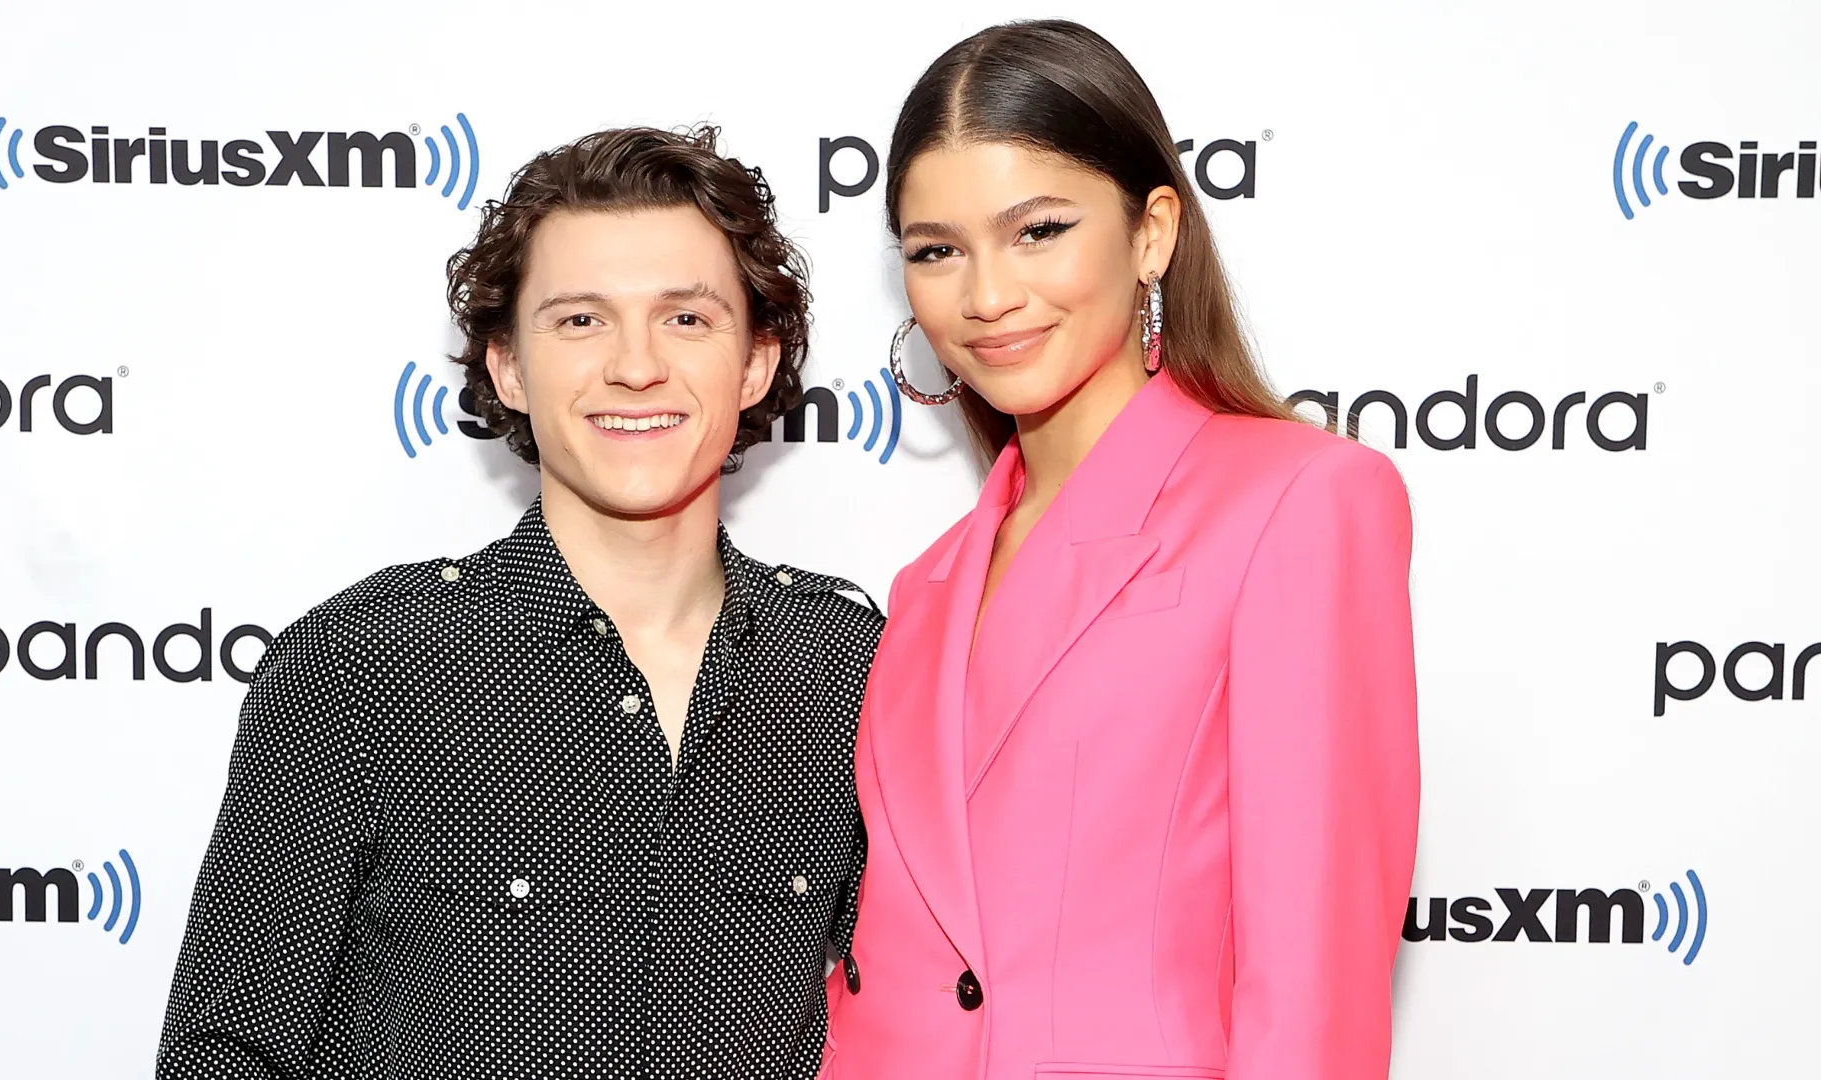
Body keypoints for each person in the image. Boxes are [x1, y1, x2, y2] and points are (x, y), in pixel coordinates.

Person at [156, 126, 881, 1079]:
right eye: (581, 320)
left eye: (687, 319)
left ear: (754, 363)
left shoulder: (847, 664)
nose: (635, 366)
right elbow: (228, 1053)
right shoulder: (363, 664)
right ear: (506, 367)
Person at [824, 20, 1420, 1080]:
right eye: (936, 251)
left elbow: (1313, 996)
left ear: (1152, 233)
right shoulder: (925, 588)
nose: (988, 295)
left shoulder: (1300, 501)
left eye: (1038, 230)